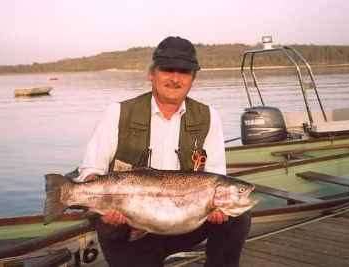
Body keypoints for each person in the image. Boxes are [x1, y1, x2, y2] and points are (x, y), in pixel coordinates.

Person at [76, 36, 251, 267]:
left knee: (238, 218)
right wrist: (103, 205)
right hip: (126, 227)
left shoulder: (209, 117)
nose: (175, 78)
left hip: (185, 224)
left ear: (193, 79)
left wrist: (219, 210)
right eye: (167, 69)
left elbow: (215, 173)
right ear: (152, 73)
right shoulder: (117, 113)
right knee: (112, 228)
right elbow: (91, 171)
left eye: (184, 72)